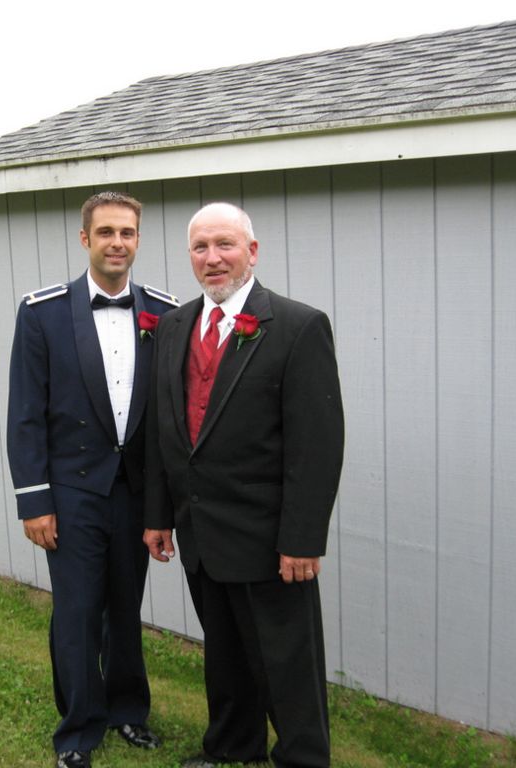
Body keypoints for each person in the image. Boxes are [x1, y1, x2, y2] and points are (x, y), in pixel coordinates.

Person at [143, 202, 344, 768]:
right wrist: (159, 515)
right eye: (200, 247)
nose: (213, 258)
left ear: (251, 252)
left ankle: (303, 759)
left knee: (286, 664)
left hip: (269, 539)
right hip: (200, 531)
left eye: (225, 245)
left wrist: (302, 538)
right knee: (225, 656)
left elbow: (317, 446)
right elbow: (165, 431)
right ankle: (232, 746)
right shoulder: (176, 326)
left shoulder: (299, 327)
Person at [7, 191, 178, 768]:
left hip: (135, 493)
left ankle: (129, 711)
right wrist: (35, 502)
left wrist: (163, 507)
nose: (117, 243)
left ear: (137, 239)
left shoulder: (167, 312)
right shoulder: (43, 312)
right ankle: (80, 728)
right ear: (86, 239)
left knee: (126, 608)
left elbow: (167, 418)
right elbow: (26, 415)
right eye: (105, 232)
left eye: (127, 233)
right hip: (72, 491)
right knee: (78, 612)